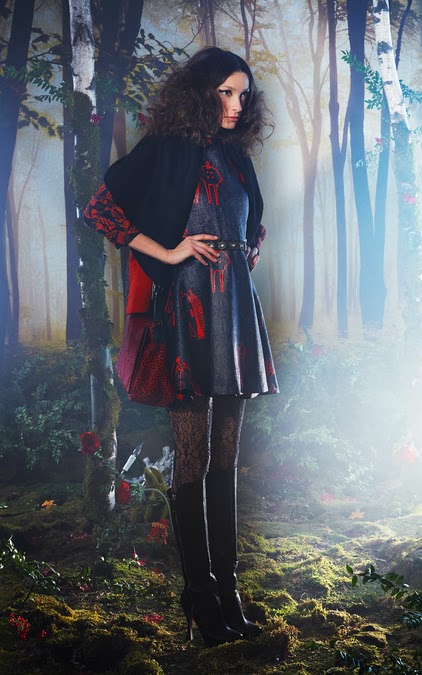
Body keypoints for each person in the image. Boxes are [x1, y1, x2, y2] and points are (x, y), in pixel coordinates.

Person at [84, 46, 278, 647]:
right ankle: (200, 596)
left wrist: (243, 253)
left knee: (227, 456)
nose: (236, 104)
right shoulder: (166, 148)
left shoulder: (237, 156)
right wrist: (169, 252)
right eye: (225, 92)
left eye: (243, 95)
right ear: (200, 93)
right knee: (193, 456)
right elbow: (100, 208)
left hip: (235, 310)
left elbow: (250, 225)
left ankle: (229, 592)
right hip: (188, 311)